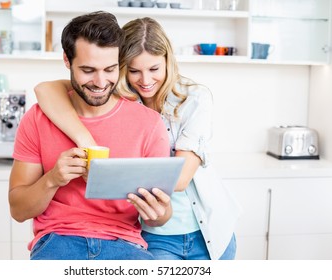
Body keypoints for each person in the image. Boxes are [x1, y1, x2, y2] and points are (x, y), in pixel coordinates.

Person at [34, 17, 241, 260]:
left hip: (209, 230)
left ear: (168, 61)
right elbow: (45, 90)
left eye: (154, 69)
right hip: (157, 233)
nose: (145, 80)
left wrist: (106, 174)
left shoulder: (194, 98)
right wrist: (87, 142)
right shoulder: (117, 98)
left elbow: (181, 179)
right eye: (134, 71)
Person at [9, 11, 174, 260]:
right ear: (67, 60)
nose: (100, 82)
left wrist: (158, 211)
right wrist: (53, 179)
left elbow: (161, 216)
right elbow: (18, 210)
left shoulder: (149, 124)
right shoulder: (38, 118)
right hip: (58, 241)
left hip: (125, 246)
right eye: (88, 70)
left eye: (110, 69)